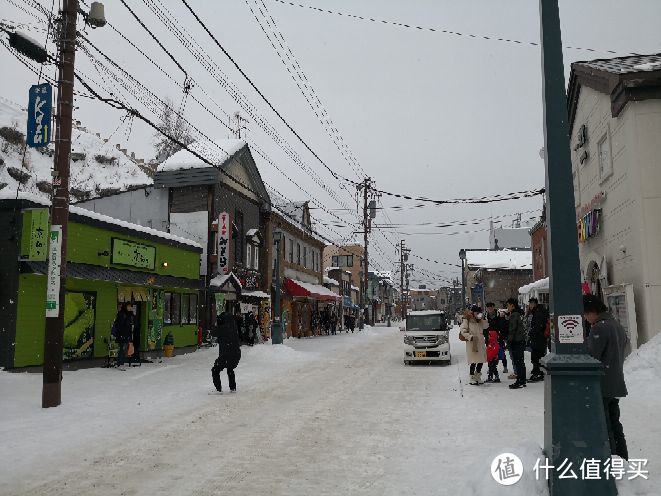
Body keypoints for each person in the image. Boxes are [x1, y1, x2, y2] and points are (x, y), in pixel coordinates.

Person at [583, 294, 629, 460]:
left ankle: (611, 460)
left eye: (585, 314)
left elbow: (591, 356)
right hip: (615, 382)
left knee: (605, 426)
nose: (585, 318)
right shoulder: (616, 325)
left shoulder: (599, 328)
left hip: (601, 385)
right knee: (615, 425)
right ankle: (622, 460)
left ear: (592, 312)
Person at [211, 311, 242, 393]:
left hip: (227, 354)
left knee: (215, 369)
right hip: (236, 354)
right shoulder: (233, 326)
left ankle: (218, 389)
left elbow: (213, 332)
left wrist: (216, 325)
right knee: (230, 368)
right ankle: (233, 388)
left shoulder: (224, 327)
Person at [459, 305, 488, 385]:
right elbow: (463, 330)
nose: (478, 314)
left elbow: (486, 326)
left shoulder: (480, 320)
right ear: (473, 312)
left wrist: (483, 319)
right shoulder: (467, 320)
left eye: (479, 312)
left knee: (481, 360)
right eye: (477, 312)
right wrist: (470, 337)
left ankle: (477, 376)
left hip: (481, 342)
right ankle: (471, 377)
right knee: (474, 361)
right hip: (472, 343)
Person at [506, 298, 527, 389]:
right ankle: (522, 380)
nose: (507, 307)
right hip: (521, 340)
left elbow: (512, 330)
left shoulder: (514, 315)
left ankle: (520, 380)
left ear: (512, 305)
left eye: (508, 305)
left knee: (518, 361)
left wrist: (509, 342)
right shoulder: (520, 314)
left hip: (516, 341)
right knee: (520, 361)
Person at [527, 298, 549, 382]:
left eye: (530, 304)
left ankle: (538, 373)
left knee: (536, 356)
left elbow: (538, 327)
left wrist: (531, 333)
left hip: (538, 338)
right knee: (538, 356)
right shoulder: (540, 311)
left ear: (534, 304)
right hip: (540, 338)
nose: (529, 306)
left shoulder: (538, 313)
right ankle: (538, 372)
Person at [486, 302, 508, 374]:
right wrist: (486, 336)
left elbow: (503, 325)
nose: (490, 309)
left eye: (491, 307)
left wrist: (501, 335)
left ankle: (505, 367)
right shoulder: (486, 316)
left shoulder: (499, 315)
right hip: (490, 337)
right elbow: (484, 328)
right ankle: (491, 368)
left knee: (501, 352)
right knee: (490, 354)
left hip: (498, 337)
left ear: (493, 307)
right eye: (488, 308)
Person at [113, 303, 133, 370]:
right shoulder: (122, 314)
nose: (130, 307)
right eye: (129, 306)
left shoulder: (127, 314)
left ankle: (120, 363)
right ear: (126, 307)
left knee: (123, 350)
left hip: (125, 335)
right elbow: (120, 326)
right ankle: (120, 364)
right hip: (122, 335)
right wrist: (122, 334)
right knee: (122, 349)